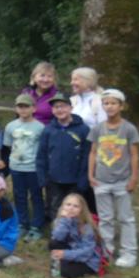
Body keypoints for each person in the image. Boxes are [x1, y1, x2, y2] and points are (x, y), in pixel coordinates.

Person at [87, 89, 139, 268]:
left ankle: (129, 253)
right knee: (105, 218)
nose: (109, 106)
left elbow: (133, 155)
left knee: (126, 218)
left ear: (121, 106)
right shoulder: (98, 128)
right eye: (106, 103)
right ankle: (106, 250)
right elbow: (93, 152)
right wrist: (90, 175)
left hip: (122, 181)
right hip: (101, 181)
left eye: (113, 103)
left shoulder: (128, 129)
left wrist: (133, 178)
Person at [36, 93, 92, 223]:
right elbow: (41, 155)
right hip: (54, 179)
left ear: (71, 108)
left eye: (63, 106)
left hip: (75, 179)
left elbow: (87, 156)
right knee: (56, 207)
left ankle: (75, 235)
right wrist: (42, 177)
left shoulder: (83, 129)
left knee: (75, 208)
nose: (59, 110)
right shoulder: (49, 130)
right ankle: (58, 235)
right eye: (56, 107)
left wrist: (83, 179)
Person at [4, 93, 46, 242]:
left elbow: (42, 149)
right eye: (20, 107)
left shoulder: (40, 127)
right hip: (16, 167)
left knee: (36, 196)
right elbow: (8, 146)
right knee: (19, 196)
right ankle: (23, 223)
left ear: (33, 108)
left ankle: (36, 225)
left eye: (26, 106)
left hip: (32, 168)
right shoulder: (11, 126)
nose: (23, 110)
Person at [49, 193, 101, 278]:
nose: (71, 208)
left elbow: (87, 252)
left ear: (82, 210)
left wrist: (65, 254)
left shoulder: (87, 227)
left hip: (88, 259)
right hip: (73, 250)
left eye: (76, 206)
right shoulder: (61, 220)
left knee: (65, 272)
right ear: (62, 206)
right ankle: (64, 263)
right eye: (68, 204)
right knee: (53, 243)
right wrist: (65, 221)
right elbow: (57, 237)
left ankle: (68, 265)